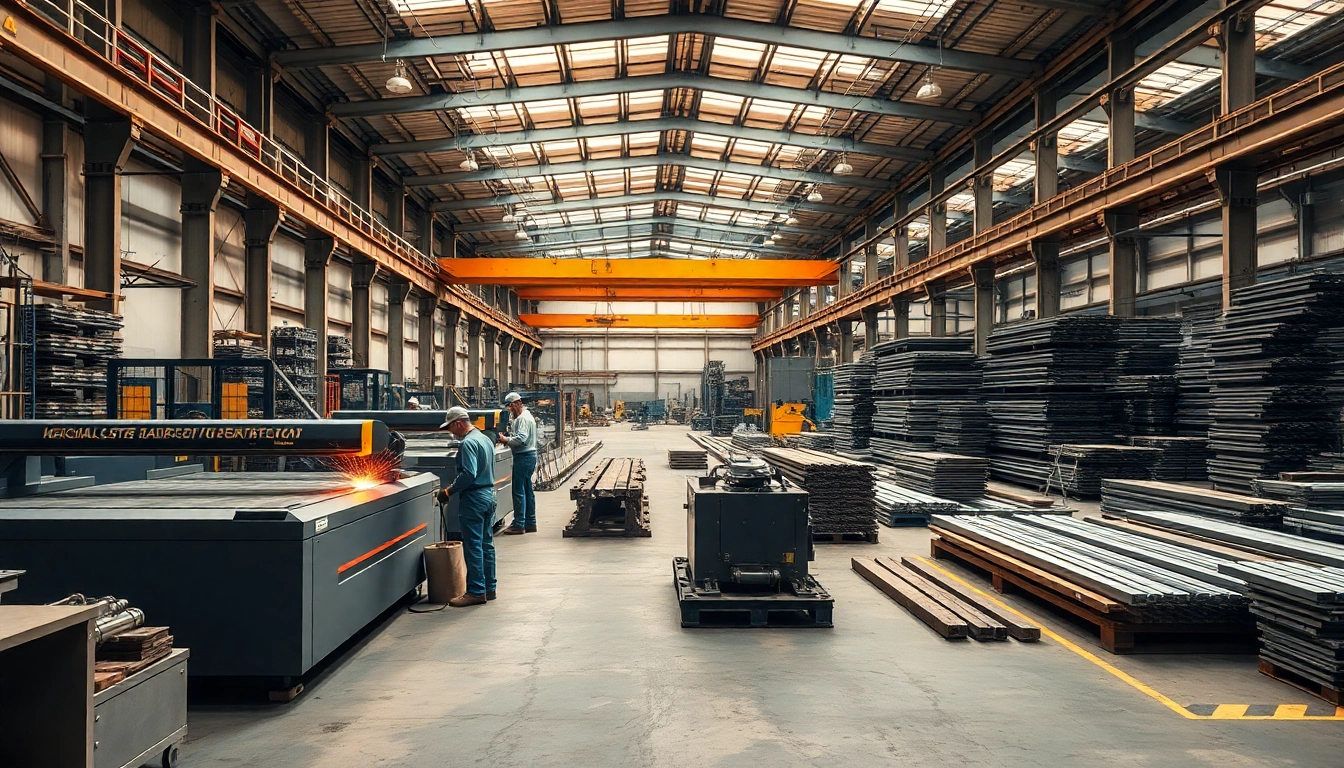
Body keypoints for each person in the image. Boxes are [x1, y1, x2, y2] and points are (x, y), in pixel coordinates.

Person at [436, 406, 497, 607]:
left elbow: (469, 474)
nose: (451, 432)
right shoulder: (485, 439)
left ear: (459, 423)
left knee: (473, 545)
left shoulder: (468, 443)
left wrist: (448, 491)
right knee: (486, 543)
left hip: (474, 498)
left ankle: (476, 591)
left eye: (451, 427)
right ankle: (489, 587)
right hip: (489, 494)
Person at [497, 392, 538, 535]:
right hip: (529, 456)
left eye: (510, 406)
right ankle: (530, 522)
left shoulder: (522, 419)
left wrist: (505, 440)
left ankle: (519, 524)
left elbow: (521, 439)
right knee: (527, 490)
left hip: (523, 457)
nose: (509, 410)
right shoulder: (528, 416)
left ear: (516, 404)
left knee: (518, 491)